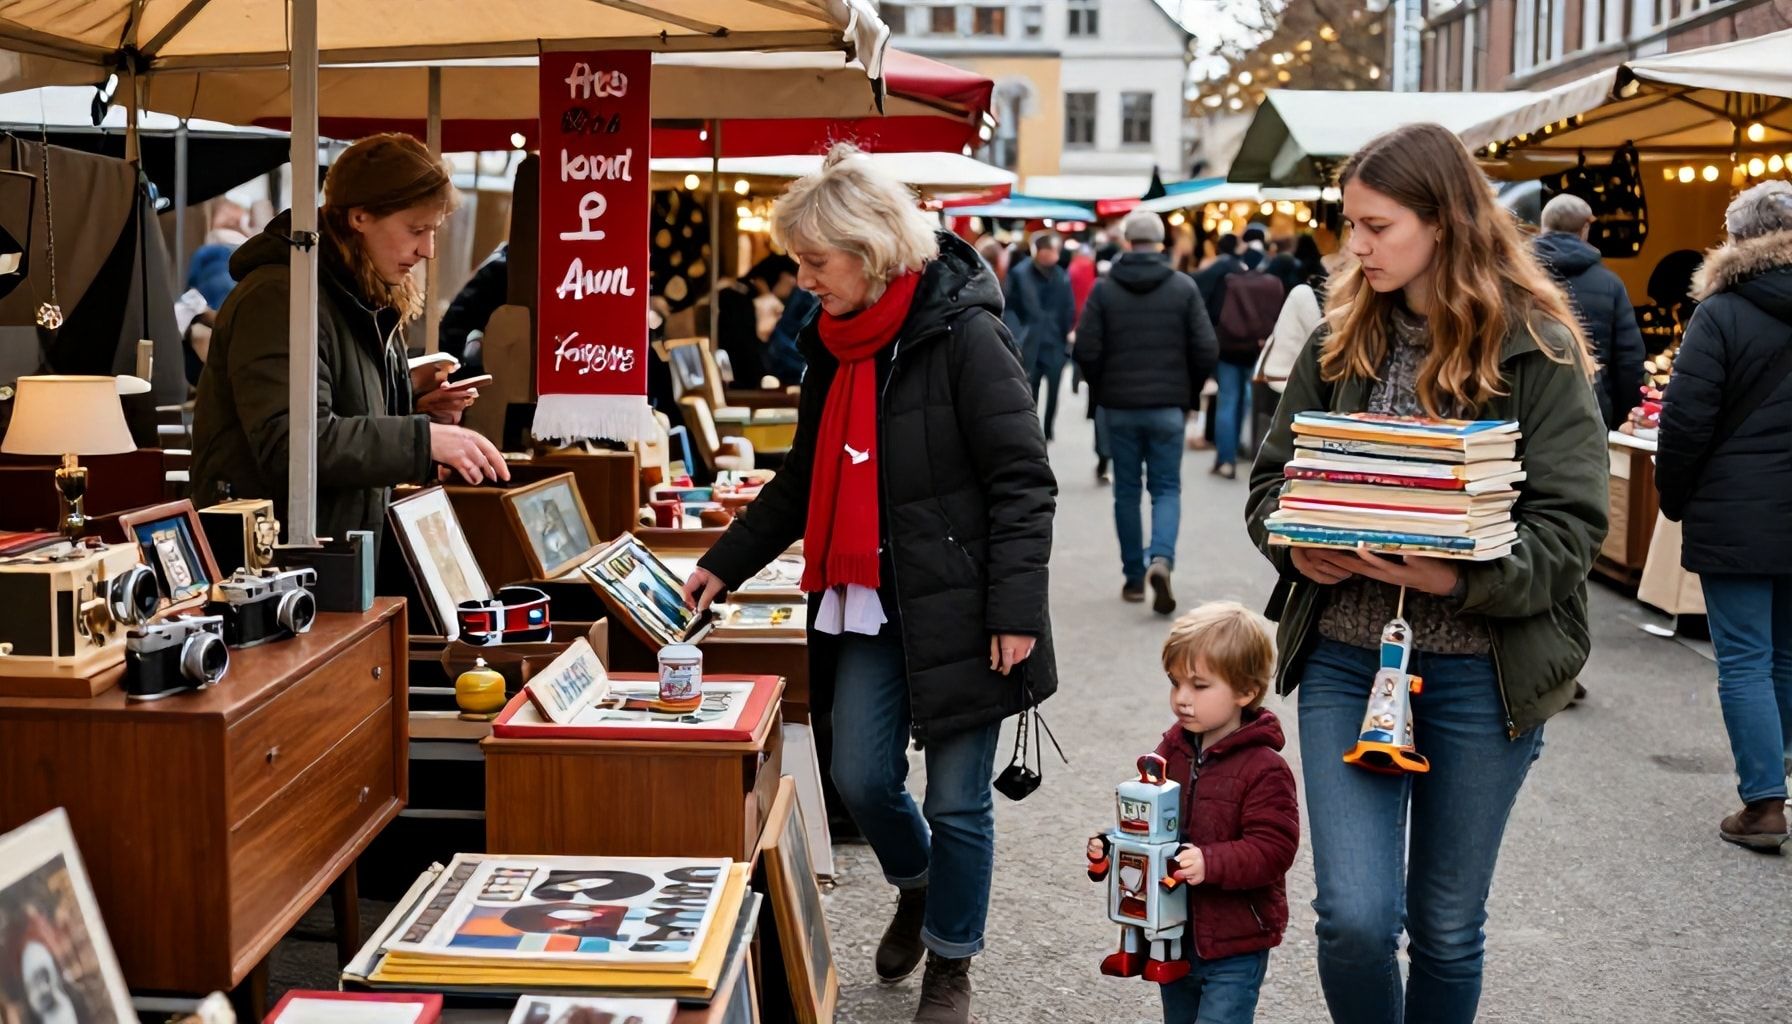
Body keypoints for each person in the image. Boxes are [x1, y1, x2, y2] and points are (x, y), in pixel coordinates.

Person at [681, 143, 1057, 1024]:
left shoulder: (966, 334)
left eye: (816, 260)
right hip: (868, 604)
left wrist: (1015, 610)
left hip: (963, 607)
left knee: (958, 801)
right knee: (858, 776)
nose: (803, 279)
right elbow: (802, 480)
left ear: (872, 246)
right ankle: (919, 885)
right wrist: (719, 564)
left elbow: (1022, 480)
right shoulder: (833, 348)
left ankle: (952, 961)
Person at [1245, 122, 1608, 1023]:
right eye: (1351, 225)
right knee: (1355, 921)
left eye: (1377, 226)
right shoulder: (1340, 340)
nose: (1354, 246)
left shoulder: (1540, 348)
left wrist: (1460, 581)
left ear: (1441, 222)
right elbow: (1269, 483)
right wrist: (1294, 545)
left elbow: (1572, 530)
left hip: (1483, 674)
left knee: (1446, 928)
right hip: (1346, 658)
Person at [191, 133, 507, 541]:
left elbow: (343, 411)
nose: (428, 249)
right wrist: (422, 439)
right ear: (360, 217)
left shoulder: (364, 294)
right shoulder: (282, 298)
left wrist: (415, 408)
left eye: (434, 231)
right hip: (272, 558)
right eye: (415, 229)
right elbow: (290, 442)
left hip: (332, 547)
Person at [1655, 180, 1792, 852]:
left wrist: (1674, 497)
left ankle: (1765, 802)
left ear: (1738, 239)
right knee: (1787, 655)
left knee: (1743, 658)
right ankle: (1777, 771)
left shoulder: (1721, 312)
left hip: (1737, 510)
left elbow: (1685, 421)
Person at [1146, 602, 1299, 1024]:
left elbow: (1274, 849)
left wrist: (1211, 862)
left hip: (1236, 941)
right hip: (1174, 932)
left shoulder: (1265, 767)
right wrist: (1111, 846)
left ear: (1245, 692)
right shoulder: (1169, 752)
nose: (1181, 699)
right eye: (1175, 683)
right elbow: (1145, 819)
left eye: (1199, 686)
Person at [1074, 208, 1217, 613]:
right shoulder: (1183, 288)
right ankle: (1162, 558)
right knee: (1166, 488)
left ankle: (1134, 578)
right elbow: (1206, 348)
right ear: (1160, 243)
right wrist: (1186, 393)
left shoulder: (1105, 290)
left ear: (1125, 243)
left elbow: (1085, 349)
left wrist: (1104, 390)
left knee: (1126, 491)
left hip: (1119, 407)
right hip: (1168, 407)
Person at [1533, 194, 1646, 429]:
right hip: (1591, 407)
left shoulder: (1517, 277)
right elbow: (1628, 359)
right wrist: (1622, 417)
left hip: (1530, 406)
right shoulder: (1610, 283)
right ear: (1585, 227)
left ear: (1543, 225)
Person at [1211, 255, 1285, 479]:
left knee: (1227, 401)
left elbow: (1216, 313)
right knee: (1253, 402)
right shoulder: (1272, 284)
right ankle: (1252, 452)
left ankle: (1226, 459)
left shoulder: (1230, 282)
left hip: (1229, 350)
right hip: (1258, 349)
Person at [1003, 231, 1076, 441]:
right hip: (1029, 343)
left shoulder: (1061, 275)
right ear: (1039, 251)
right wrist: (1018, 333)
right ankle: (1032, 430)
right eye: (1051, 250)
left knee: (1054, 391)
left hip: (1055, 343)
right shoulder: (1019, 273)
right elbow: (1010, 307)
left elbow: (1068, 307)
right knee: (1029, 390)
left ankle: (1048, 429)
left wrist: (1065, 334)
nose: (1054, 255)